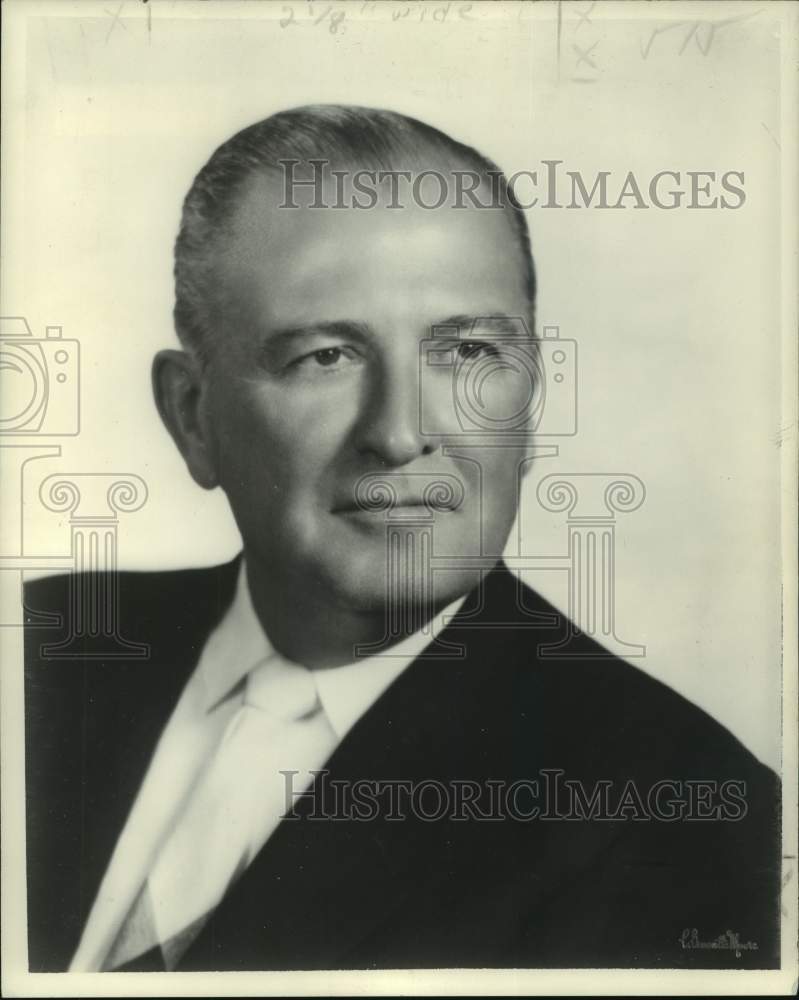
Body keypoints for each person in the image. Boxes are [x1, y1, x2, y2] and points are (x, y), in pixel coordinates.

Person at [24, 105, 780, 973]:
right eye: (325, 356)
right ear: (194, 417)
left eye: (463, 351)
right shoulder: (42, 649)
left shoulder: (675, 813)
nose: (398, 432)